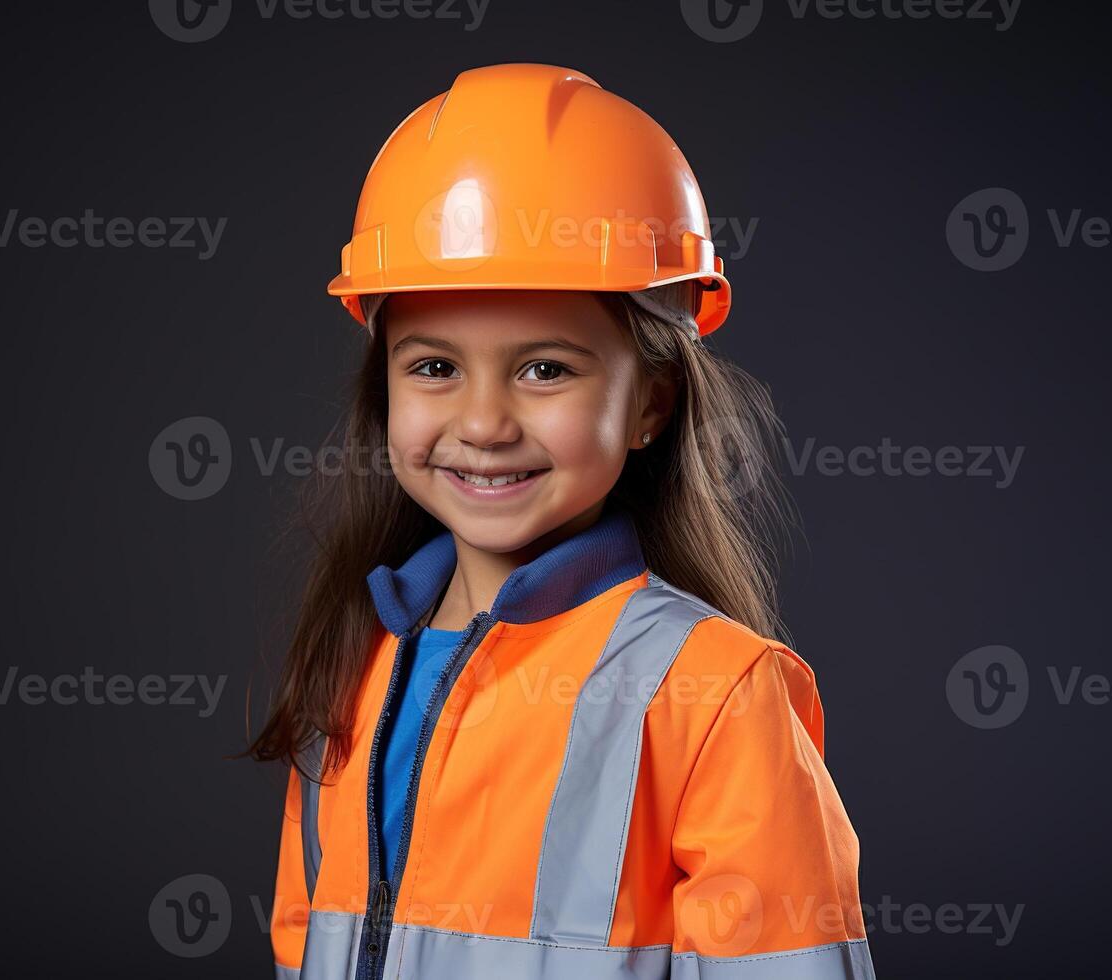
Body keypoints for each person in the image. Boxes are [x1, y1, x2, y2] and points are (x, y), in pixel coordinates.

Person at [247, 62, 875, 980]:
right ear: (382, 391)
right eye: (433, 368)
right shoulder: (354, 665)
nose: (484, 423)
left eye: (546, 369)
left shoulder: (712, 695)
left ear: (652, 401)